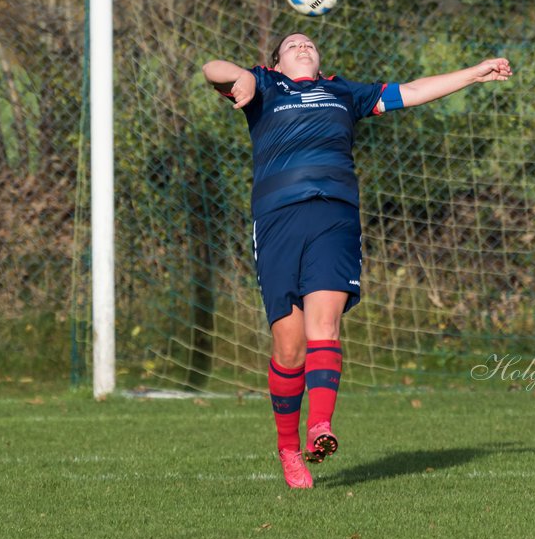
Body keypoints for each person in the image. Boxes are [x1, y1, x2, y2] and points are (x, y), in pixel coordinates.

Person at [203, 33, 511, 489]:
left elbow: (411, 91)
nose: (302, 46)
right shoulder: (265, 86)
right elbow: (213, 68)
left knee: (323, 326)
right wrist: (242, 78)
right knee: (289, 348)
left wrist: (473, 72)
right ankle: (288, 451)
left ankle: (320, 427)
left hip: (334, 215)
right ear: (276, 61)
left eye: (308, 42)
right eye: (292, 44)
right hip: (277, 221)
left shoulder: (343, 91)